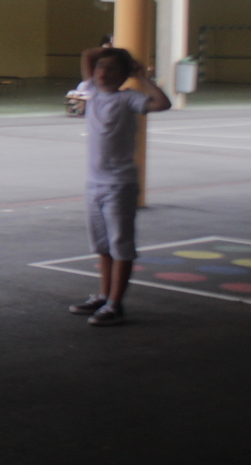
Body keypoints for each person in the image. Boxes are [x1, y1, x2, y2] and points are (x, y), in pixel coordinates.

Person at [67, 47, 170, 326]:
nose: (102, 72)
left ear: (125, 74)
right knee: (102, 246)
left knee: (120, 245)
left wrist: (141, 76)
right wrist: (110, 51)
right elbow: (87, 55)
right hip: (94, 184)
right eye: (100, 67)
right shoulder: (91, 90)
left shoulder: (128, 98)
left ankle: (115, 304)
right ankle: (104, 295)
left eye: (111, 68)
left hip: (119, 184)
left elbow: (163, 103)